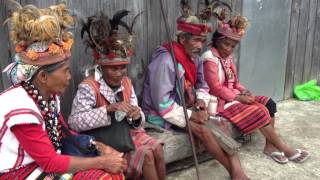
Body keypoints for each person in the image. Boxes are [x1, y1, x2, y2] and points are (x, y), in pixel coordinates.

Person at [0, 3, 126, 179]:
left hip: (41, 165)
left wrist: (98, 146)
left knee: (113, 173)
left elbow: (62, 135)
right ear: (43, 77)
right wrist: (103, 161)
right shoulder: (21, 109)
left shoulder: (47, 98)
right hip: (19, 173)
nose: (69, 77)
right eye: (66, 71)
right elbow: (50, 162)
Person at [142, 1, 249, 180]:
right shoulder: (166, 62)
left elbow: (202, 85)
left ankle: (237, 170)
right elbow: (162, 105)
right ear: (182, 39)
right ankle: (234, 172)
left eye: (202, 41)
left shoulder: (195, 57)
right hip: (160, 115)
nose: (200, 46)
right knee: (203, 130)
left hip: (188, 108)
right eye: (196, 40)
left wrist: (201, 101)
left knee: (220, 123)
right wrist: (192, 116)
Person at [68, 11, 165, 180]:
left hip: (127, 133)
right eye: (114, 68)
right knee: (147, 156)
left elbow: (138, 118)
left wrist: (136, 116)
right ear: (101, 66)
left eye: (122, 67)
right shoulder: (89, 87)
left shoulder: (126, 83)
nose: (119, 73)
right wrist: (108, 109)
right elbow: (74, 122)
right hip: (104, 139)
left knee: (157, 149)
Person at [202, 15, 310, 164]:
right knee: (258, 111)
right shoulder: (209, 58)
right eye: (226, 44)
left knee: (269, 103)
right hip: (219, 102)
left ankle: (270, 147)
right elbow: (215, 88)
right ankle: (285, 148)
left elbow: (235, 82)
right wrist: (239, 98)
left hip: (232, 96)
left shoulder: (228, 57)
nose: (229, 49)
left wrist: (244, 91)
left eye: (232, 46)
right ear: (217, 41)